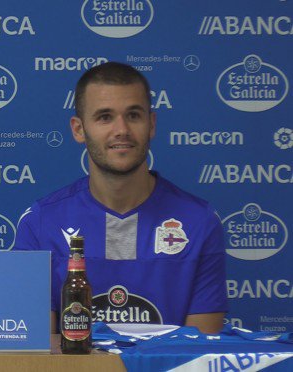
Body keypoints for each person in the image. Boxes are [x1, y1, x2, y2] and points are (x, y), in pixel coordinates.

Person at [14, 62, 227, 334]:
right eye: (105, 117)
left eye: (134, 115)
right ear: (79, 129)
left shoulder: (199, 221)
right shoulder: (41, 223)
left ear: (151, 124)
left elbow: (199, 354)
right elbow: (36, 351)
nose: (121, 130)